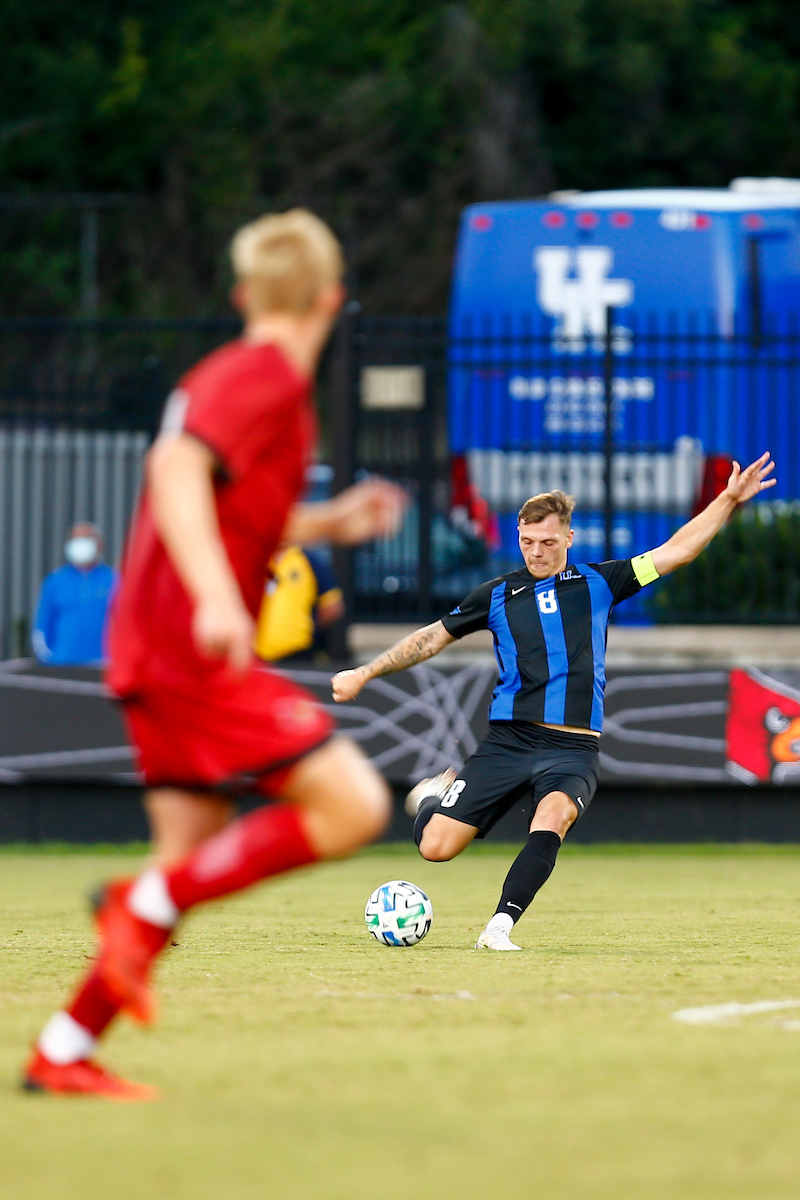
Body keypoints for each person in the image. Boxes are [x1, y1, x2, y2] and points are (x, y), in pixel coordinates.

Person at [22, 208, 405, 1100]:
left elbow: (225, 501)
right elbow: (176, 474)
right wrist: (219, 597)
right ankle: (134, 909)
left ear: (242, 294)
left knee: (184, 864)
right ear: (332, 299)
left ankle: (63, 1051)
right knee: (351, 805)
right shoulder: (266, 375)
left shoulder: (235, 376)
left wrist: (323, 522)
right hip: (182, 645)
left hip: (153, 643)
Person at [332, 454, 776, 950]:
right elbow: (432, 638)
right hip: (508, 742)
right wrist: (366, 671)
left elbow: (678, 551)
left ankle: (499, 927)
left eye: (547, 542)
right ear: (517, 537)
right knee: (435, 848)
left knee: (554, 816)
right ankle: (434, 798)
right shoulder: (496, 594)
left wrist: (728, 499)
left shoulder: (601, 582)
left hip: (573, 748)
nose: (537, 552)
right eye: (527, 542)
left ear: (568, 538)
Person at [31, 523, 116, 665]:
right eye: (75, 540)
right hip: (62, 664)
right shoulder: (55, 581)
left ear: (100, 545)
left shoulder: (114, 580)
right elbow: (42, 626)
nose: (80, 544)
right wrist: (50, 660)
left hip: (104, 664)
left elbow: (127, 625)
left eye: (86, 539)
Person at [254, 544, 344, 663]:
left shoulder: (307, 558)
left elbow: (333, 605)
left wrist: (312, 630)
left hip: (297, 653)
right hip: (255, 653)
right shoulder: (257, 558)